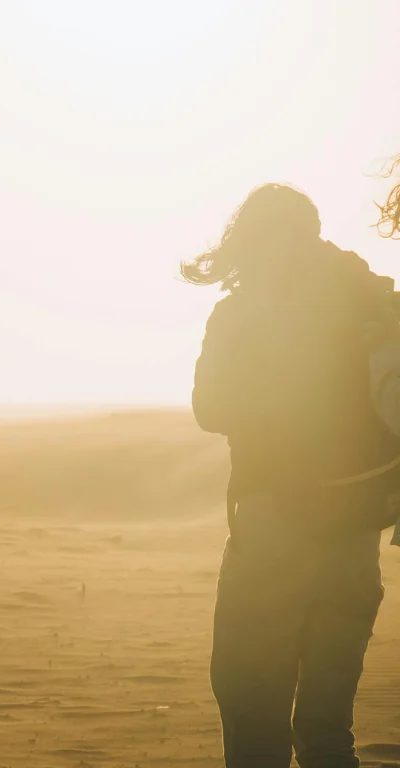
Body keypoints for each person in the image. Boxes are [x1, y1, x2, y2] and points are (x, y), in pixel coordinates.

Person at [187, 183, 400, 768]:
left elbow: (210, 408)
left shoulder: (243, 312)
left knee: (252, 718)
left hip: (272, 531)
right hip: (357, 535)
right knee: (329, 734)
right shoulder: (367, 303)